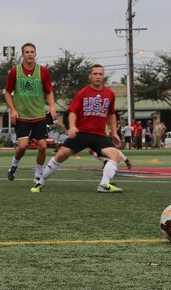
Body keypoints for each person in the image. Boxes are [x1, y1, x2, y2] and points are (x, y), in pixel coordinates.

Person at [32, 64, 124, 193]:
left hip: (99, 135)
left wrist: (114, 132)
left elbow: (111, 114)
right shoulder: (82, 93)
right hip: (82, 133)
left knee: (115, 155)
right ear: (90, 76)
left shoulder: (109, 94)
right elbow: (73, 112)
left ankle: (104, 184)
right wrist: (73, 126)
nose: (98, 77)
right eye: (95, 74)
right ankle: (40, 183)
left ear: (104, 76)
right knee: (61, 155)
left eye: (100, 74)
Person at [4, 42, 56, 185]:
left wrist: (51, 106)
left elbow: (49, 91)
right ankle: (14, 166)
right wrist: (13, 110)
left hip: (39, 115)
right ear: (22, 54)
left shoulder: (43, 71)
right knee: (22, 146)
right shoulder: (15, 71)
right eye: (26, 52)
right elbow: (7, 92)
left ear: (35, 54)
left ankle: (38, 174)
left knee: (43, 146)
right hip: (22, 116)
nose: (29, 54)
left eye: (32, 52)